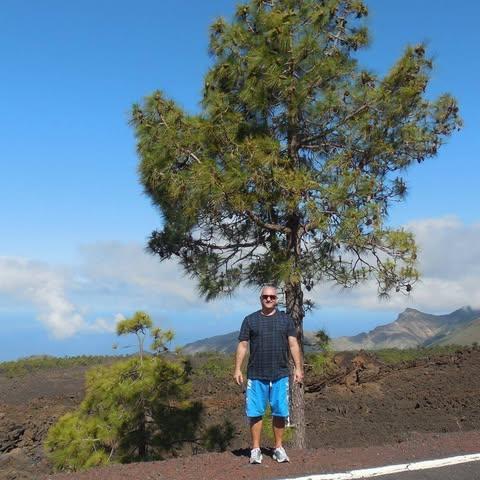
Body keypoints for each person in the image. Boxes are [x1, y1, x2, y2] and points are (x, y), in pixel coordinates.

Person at [233, 285, 304, 464]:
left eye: (272, 296)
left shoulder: (286, 320)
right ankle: (255, 449)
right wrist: (237, 368)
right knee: (255, 413)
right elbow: (243, 345)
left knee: (280, 412)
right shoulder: (250, 320)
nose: (269, 299)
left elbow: (293, 344)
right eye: (265, 296)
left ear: (276, 299)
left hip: (280, 374)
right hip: (256, 375)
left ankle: (278, 448)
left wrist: (298, 368)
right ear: (261, 299)